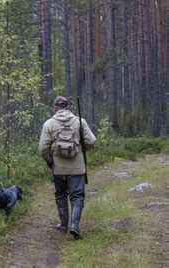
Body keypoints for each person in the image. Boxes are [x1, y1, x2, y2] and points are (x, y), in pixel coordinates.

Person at [38, 96, 96, 239]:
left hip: (58, 168)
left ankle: (63, 224)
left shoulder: (49, 124)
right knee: (77, 197)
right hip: (77, 168)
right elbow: (92, 141)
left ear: (55, 107)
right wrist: (82, 148)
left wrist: (49, 160)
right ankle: (74, 226)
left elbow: (42, 149)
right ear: (67, 107)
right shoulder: (79, 121)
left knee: (61, 194)